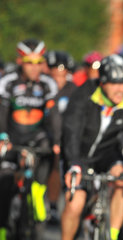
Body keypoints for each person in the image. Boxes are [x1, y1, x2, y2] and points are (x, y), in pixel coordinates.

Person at [56, 54, 123, 240]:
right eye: (114, 83)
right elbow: (71, 132)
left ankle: (111, 237)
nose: (120, 89)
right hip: (80, 156)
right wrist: (74, 164)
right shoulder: (84, 95)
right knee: (75, 203)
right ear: (102, 82)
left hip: (107, 155)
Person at [0, 38, 61, 240]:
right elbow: (2, 113)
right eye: (29, 62)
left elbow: (54, 117)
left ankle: (38, 189)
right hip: (12, 136)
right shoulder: (7, 81)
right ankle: (2, 235)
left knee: (49, 149)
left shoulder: (48, 84)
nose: (35, 67)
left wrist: (57, 141)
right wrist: (3, 136)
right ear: (19, 61)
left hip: (36, 137)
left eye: (39, 62)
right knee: (5, 183)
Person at [44, 50, 78, 223]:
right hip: (42, 134)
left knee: (57, 163)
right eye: (54, 74)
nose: (58, 79)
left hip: (63, 137)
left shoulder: (73, 91)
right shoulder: (41, 86)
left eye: (62, 75)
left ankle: (53, 205)